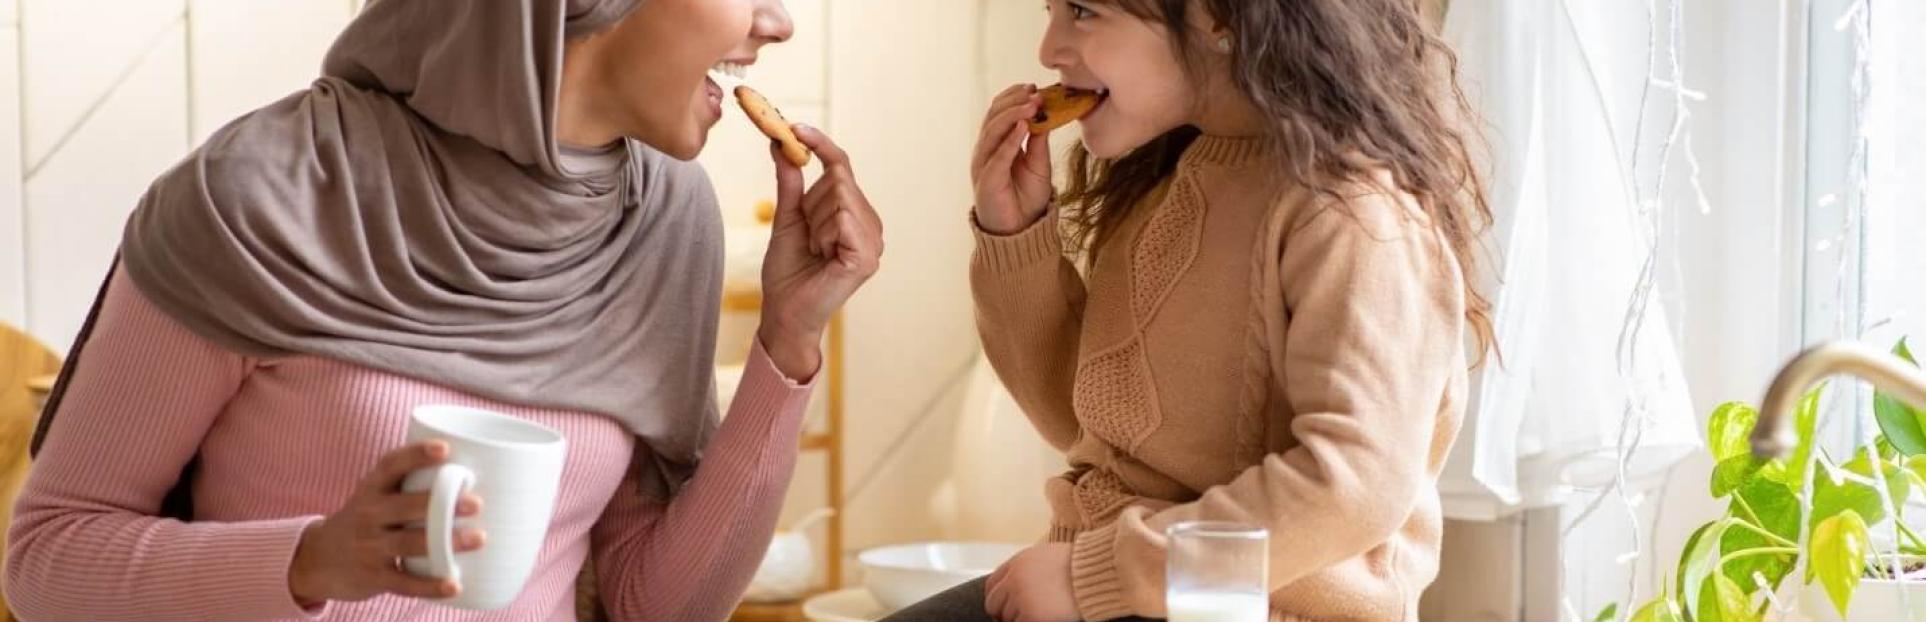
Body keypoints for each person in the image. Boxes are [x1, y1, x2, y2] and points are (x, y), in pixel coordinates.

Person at [5, 0, 882, 620]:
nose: (779, 20)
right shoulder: (264, 194)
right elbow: (46, 562)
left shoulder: (665, 221)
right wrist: (309, 561)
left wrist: (788, 339)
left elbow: (656, 606)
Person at [891, 0, 1490, 619]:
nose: (1049, 49)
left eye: (1082, 11)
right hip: (1109, 588)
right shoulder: (1165, 178)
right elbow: (1080, 422)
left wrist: (1101, 576)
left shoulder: (1352, 213)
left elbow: (1355, 484)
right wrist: (1015, 236)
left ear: (1217, 16)